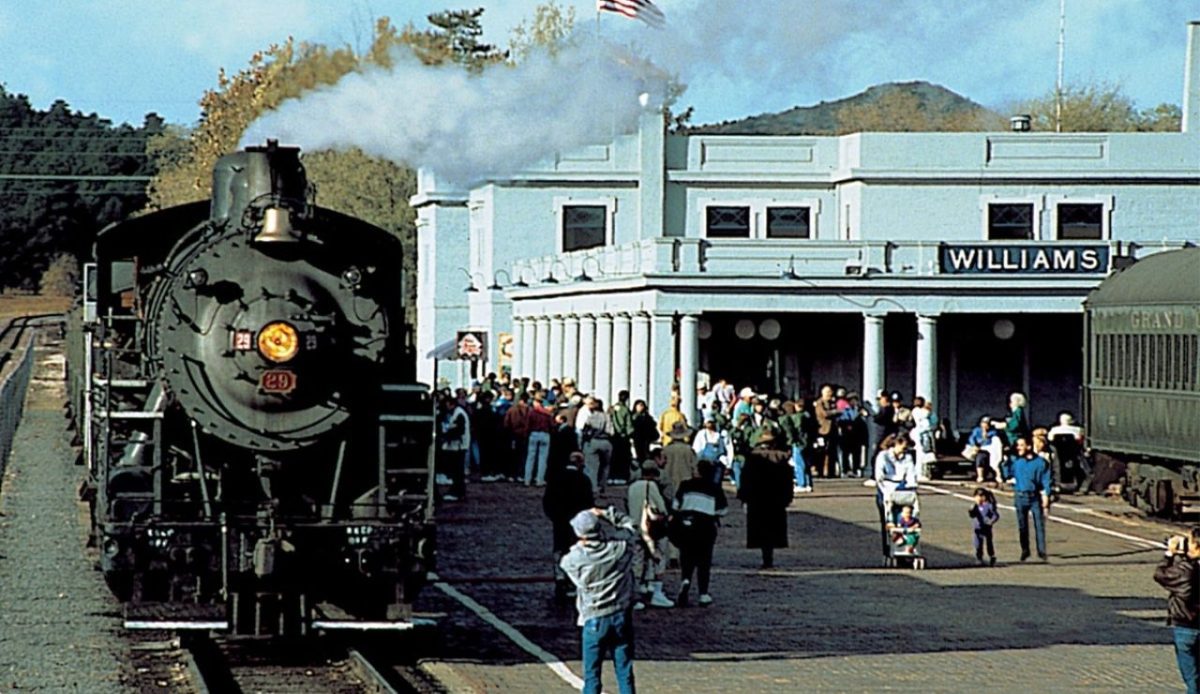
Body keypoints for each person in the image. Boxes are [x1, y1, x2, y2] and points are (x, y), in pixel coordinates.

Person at [560, 507, 640, 694]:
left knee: (592, 676)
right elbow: (631, 526)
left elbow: (564, 562)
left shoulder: (575, 559)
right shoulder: (619, 548)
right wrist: (605, 513)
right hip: (621, 613)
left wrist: (578, 546)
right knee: (624, 671)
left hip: (594, 617)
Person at [672, 459, 728, 606]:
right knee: (704, 561)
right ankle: (703, 594)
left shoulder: (685, 485)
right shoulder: (714, 488)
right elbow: (723, 510)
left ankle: (685, 580)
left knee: (686, 557)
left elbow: (675, 505)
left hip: (687, 526)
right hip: (706, 527)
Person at [736, 428, 793, 569]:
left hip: (757, 500)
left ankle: (766, 557)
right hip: (775, 500)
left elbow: (745, 480)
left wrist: (744, 497)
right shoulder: (781, 457)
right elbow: (787, 480)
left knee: (761, 530)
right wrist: (787, 498)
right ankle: (769, 558)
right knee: (773, 530)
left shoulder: (752, 458)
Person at [544, 452, 595, 602]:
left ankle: (560, 579)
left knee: (559, 549)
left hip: (559, 521)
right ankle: (572, 581)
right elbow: (589, 504)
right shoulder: (584, 480)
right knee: (576, 551)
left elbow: (547, 501)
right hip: (577, 523)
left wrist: (554, 517)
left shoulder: (555, 478)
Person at [1154, 526, 1200, 694]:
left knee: (1192, 679)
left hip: (1186, 627)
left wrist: (1170, 554)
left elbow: (1161, 574)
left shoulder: (1185, 571)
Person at [626, 460, 674, 609]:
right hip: (653, 529)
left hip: (635, 527)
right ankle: (657, 593)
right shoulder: (651, 486)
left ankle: (636, 596)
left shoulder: (632, 487)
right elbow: (660, 507)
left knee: (637, 561)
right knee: (658, 558)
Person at [1006, 435, 1052, 561]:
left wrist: (1046, 495)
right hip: (1020, 496)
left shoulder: (1041, 463)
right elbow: (1007, 474)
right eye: (1017, 445)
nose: (1018, 448)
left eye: (1021, 445)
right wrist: (1005, 461)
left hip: (1034, 496)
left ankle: (1041, 551)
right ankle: (1025, 549)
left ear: (1029, 446)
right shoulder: (1016, 461)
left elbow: (1046, 480)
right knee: (1022, 525)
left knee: (1039, 524)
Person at [874, 434, 918, 559]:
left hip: (902, 490)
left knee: (905, 519)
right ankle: (888, 551)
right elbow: (879, 477)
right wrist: (885, 492)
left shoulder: (907, 458)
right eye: (903, 448)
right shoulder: (883, 456)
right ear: (896, 444)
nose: (905, 451)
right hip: (886, 490)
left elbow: (911, 474)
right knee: (889, 520)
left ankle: (906, 549)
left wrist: (911, 486)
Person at [437, 395, 471, 502]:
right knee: (456, 471)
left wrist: (447, 435)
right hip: (456, 445)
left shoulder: (459, 414)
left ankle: (458, 491)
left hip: (458, 446)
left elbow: (459, 430)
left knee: (457, 470)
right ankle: (457, 490)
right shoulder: (457, 413)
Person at [778, 401, 811, 493]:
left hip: (798, 443)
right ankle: (808, 483)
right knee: (806, 463)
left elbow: (794, 430)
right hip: (806, 442)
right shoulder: (807, 416)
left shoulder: (795, 418)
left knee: (799, 464)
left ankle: (801, 484)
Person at [691, 415, 733, 485]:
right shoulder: (701, 434)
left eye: (711, 422)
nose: (710, 424)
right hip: (704, 464)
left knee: (716, 484)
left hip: (719, 464)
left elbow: (729, 449)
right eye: (708, 422)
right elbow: (696, 449)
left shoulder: (723, 434)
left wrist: (728, 465)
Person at [524, 393, 554, 486]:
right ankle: (539, 480)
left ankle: (527, 480)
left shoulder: (531, 412)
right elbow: (552, 425)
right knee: (543, 459)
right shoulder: (547, 413)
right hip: (545, 435)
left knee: (530, 458)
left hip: (534, 434)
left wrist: (526, 434)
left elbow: (527, 425)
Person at [812, 384, 841, 477]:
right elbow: (824, 414)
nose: (830, 394)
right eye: (828, 392)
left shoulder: (833, 402)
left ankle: (831, 472)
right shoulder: (819, 403)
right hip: (823, 430)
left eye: (831, 392)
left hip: (833, 430)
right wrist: (836, 411)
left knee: (832, 452)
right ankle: (820, 471)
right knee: (821, 452)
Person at [967, 415, 1004, 484]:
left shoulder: (993, 432)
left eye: (987, 423)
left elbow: (992, 440)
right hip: (978, 449)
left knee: (994, 459)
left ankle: (998, 475)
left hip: (990, 449)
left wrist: (985, 433)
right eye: (983, 423)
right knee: (980, 457)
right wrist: (974, 445)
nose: (985, 425)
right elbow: (971, 439)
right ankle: (980, 476)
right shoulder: (976, 430)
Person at [968, 487, 1000, 566]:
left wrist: (991, 522)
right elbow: (972, 515)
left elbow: (995, 515)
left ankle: (991, 556)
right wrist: (971, 510)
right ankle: (979, 557)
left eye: (978, 497)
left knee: (989, 543)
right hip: (977, 528)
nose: (976, 499)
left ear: (983, 497)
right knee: (978, 544)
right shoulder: (976, 506)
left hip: (986, 528)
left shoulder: (989, 506)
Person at [609, 391, 636, 481]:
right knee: (623, 459)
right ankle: (621, 477)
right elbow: (629, 426)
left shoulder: (611, 409)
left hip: (612, 437)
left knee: (613, 458)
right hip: (623, 438)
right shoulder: (625, 410)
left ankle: (612, 476)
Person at [911, 406, 937, 481]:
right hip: (922, 435)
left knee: (924, 455)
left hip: (924, 434)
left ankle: (923, 473)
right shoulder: (918, 412)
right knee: (921, 456)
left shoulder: (920, 414)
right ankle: (919, 473)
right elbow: (927, 416)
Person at [631, 400, 659, 467]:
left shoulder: (647, 417)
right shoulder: (633, 417)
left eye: (642, 405)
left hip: (645, 439)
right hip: (637, 439)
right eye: (639, 405)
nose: (640, 407)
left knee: (645, 453)